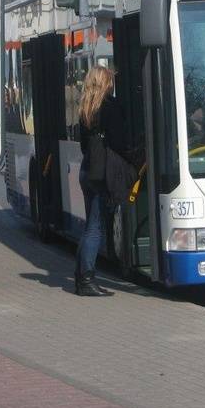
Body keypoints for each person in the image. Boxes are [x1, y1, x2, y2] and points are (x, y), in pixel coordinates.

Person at [76, 65, 127, 297]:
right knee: (96, 229)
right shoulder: (110, 106)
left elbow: (83, 146)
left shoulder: (85, 108)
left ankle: (81, 277)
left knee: (90, 227)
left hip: (87, 171)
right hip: (101, 174)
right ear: (105, 83)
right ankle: (86, 280)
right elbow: (119, 142)